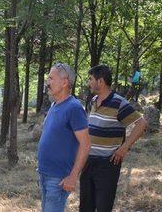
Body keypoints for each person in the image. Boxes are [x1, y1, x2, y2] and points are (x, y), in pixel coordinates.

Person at [81, 65, 148, 211]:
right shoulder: (93, 101)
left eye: (90, 79)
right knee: (86, 207)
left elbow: (141, 123)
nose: (89, 83)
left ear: (101, 81)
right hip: (88, 163)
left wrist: (125, 147)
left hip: (107, 165)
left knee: (103, 207)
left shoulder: (118, 102)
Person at [37, 62, 91, 212]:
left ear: (65, 82)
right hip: (44, 173)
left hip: (58, 178)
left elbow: (85, 144)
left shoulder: (74, 108)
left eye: (51, 78)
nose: (48, 83)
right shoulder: (54, 105)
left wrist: (73, 176)